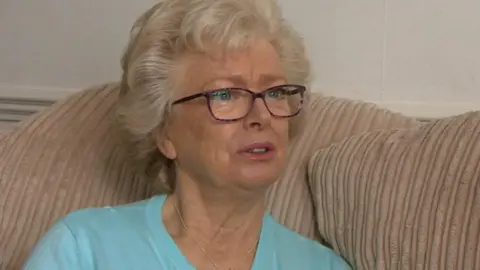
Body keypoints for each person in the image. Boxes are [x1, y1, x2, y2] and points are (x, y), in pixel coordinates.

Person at [23, 0, 351, 269]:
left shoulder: (323, 266)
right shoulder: (82, 250)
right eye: (225, 95)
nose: (261, 115)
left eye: (275, 92)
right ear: (164, 131)